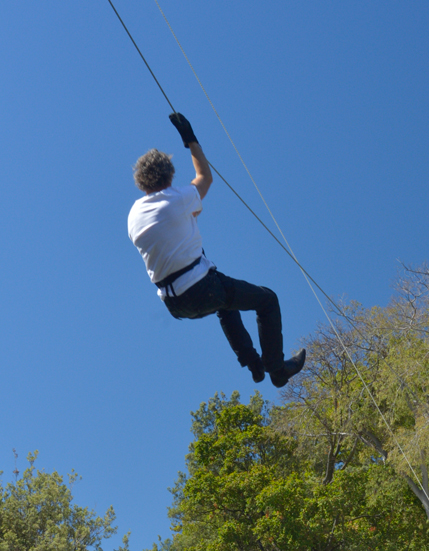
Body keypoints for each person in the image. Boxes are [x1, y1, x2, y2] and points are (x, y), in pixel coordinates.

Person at [128, 114, 306, 389]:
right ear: (170, 175)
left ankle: (254, 365)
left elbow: (168, 230)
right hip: (201, 290)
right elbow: (205, 177)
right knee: (267, 300)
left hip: (174, 304)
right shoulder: (177, 199)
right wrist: (190, 140)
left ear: (141, 181)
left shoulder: (134, 214)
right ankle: (277, 369)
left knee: (227, 306)